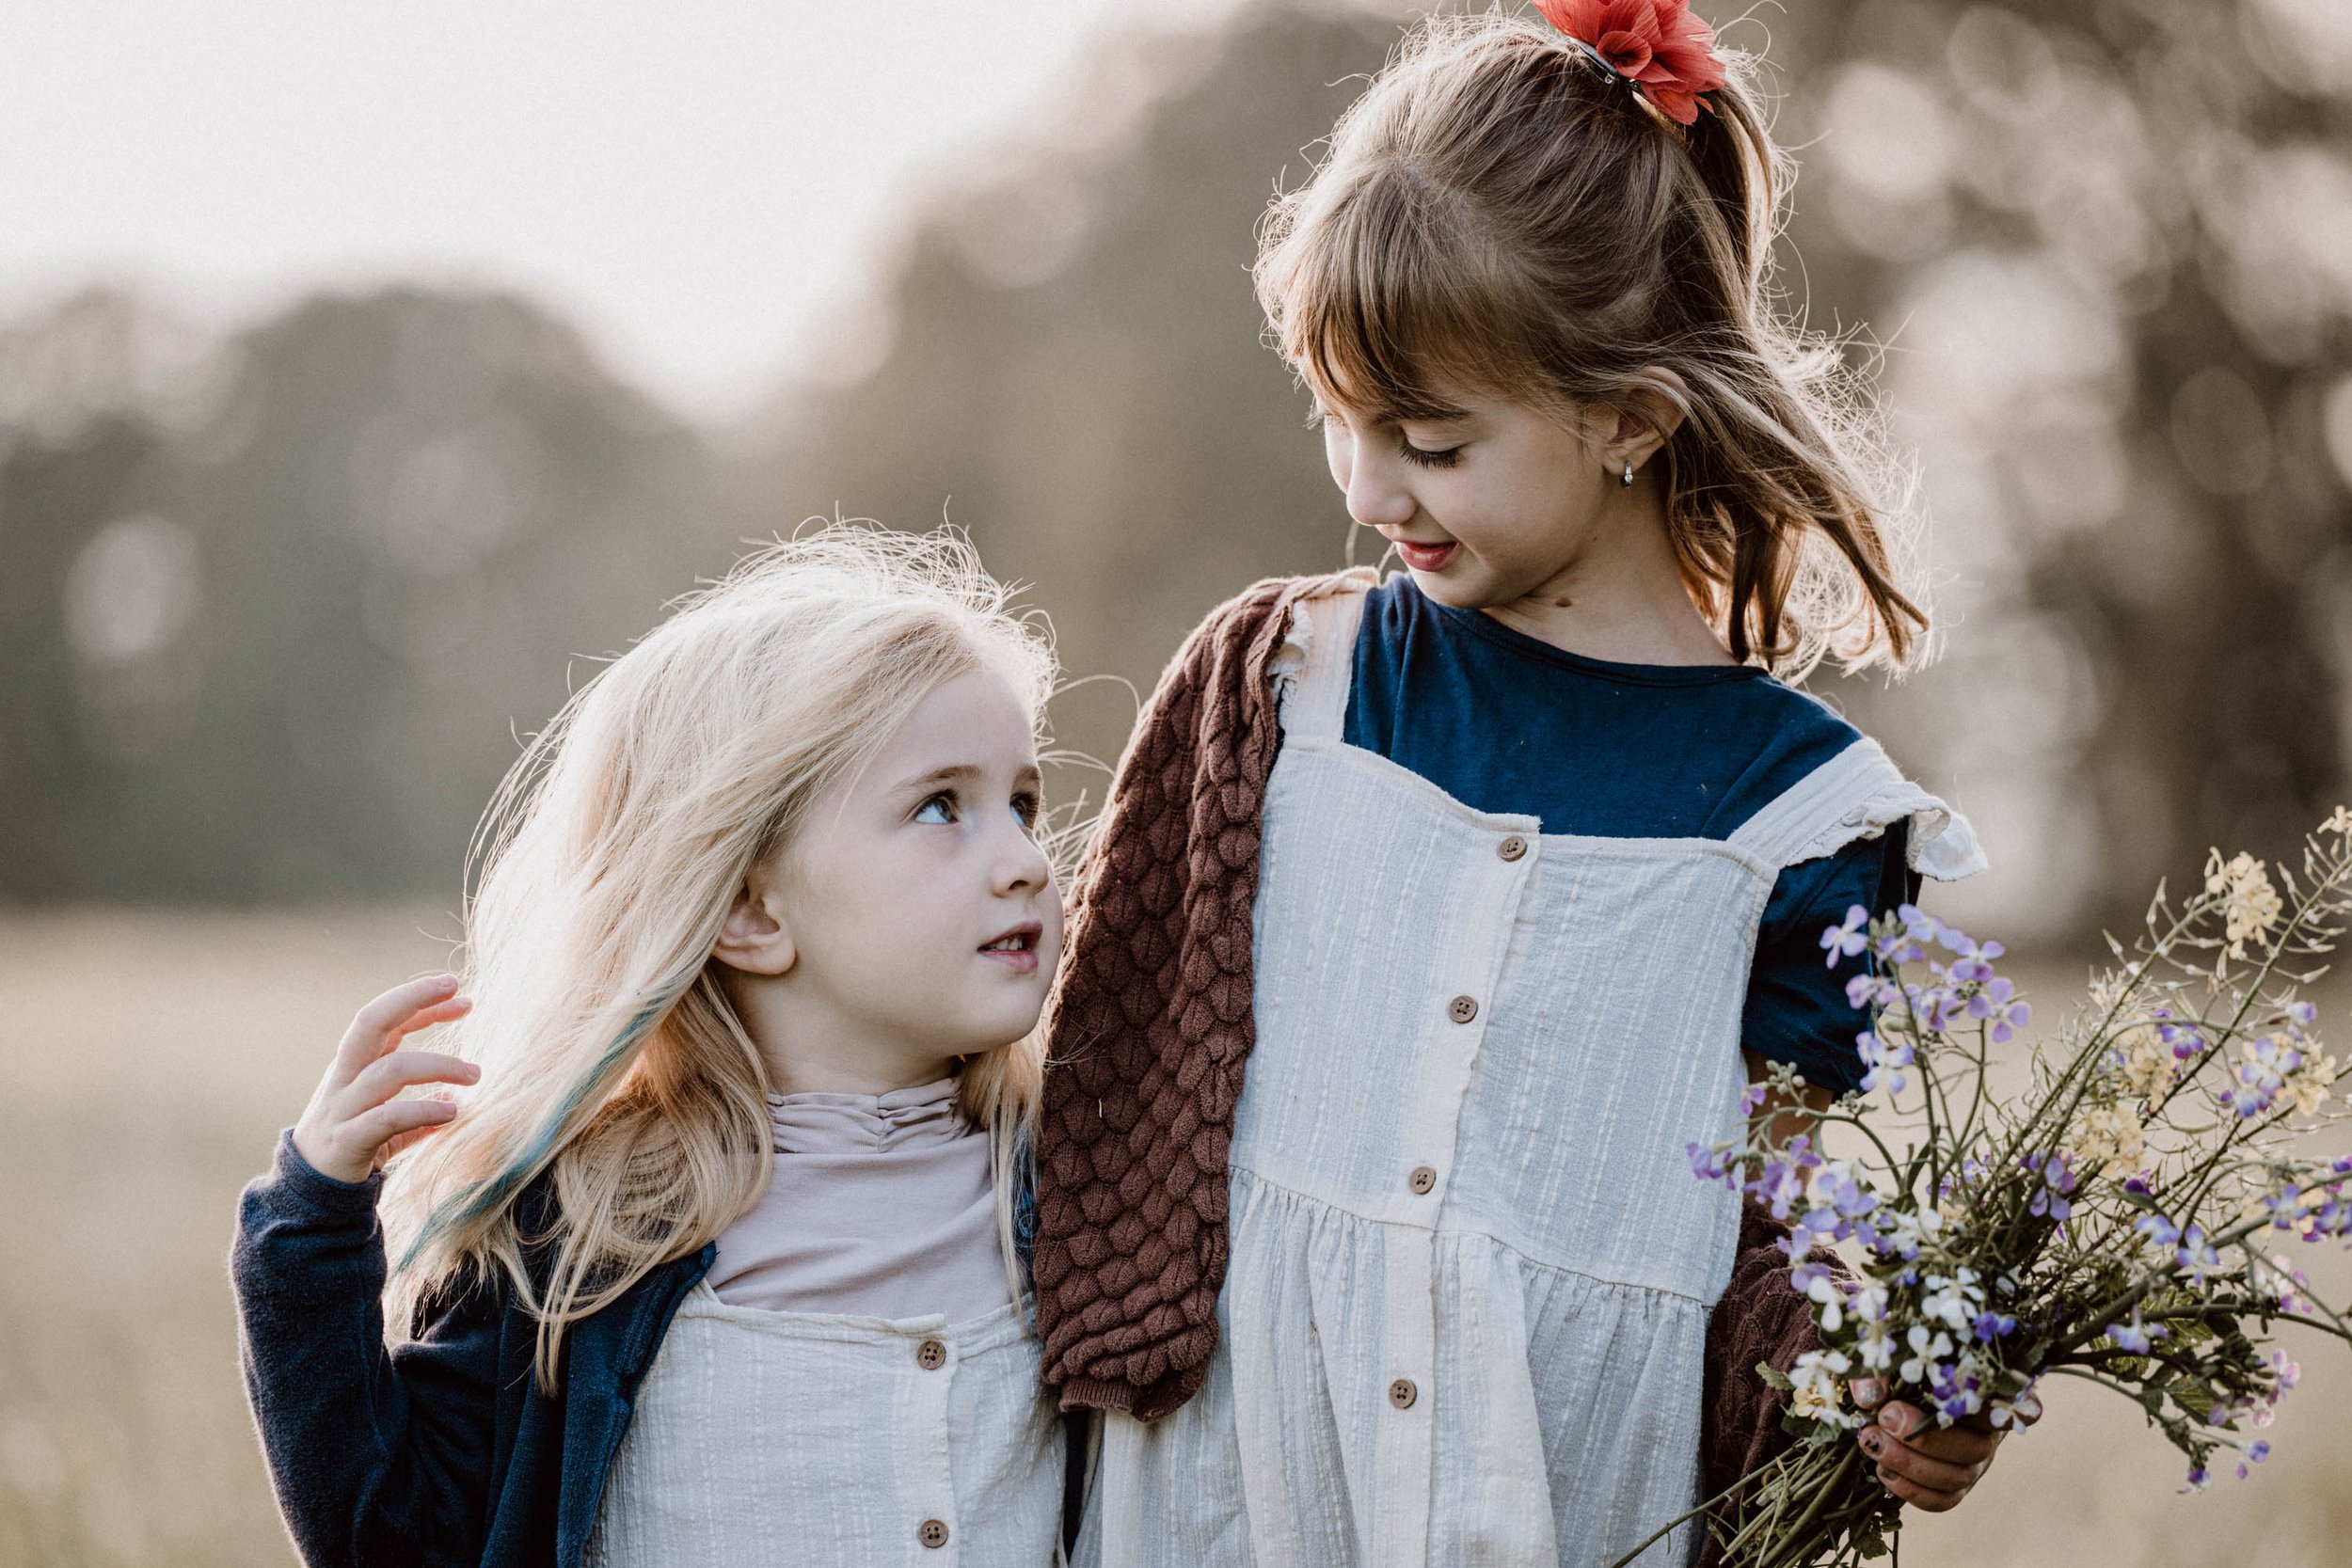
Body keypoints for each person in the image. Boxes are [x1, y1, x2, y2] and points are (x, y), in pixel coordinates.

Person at [1032, 8, 2015, 1565]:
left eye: (1426, 438)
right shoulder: (1280, 688)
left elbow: (1775, 1238)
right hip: (1226, 1504)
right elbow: (1084, 1098)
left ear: (1628, 416)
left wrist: (1886, 1384)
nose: (1366, 492)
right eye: (1340, 420)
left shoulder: (1804, 825)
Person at [231, 528, 1073, 1568]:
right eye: (942, 805)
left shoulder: (1074, 1187)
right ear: (751, 909)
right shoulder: (583, 1232)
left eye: (1024, 803)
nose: (1024, 861)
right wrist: (309, 1225)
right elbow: (390, 1538)